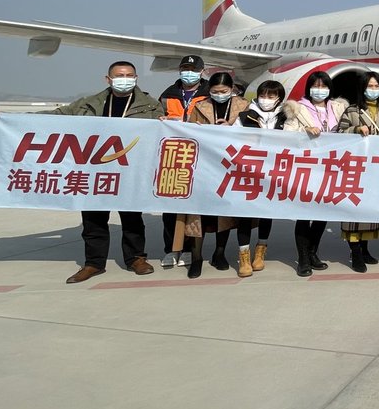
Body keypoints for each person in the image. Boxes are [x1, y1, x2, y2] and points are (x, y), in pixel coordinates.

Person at [21, 61, 162, 283]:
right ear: (108, 79)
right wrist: (14, 118)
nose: (124, 79)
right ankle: (94, 263)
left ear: (136, 78)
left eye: (129, 75)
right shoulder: (89, 104)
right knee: (93, 219)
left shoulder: (151, 107)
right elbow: (55, 117)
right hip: (95, 170)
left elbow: (163, 134)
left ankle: (136, 258)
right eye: (119, 75)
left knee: (132, 218)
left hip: (130, 172)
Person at [284, 71, 348, 277]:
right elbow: (286, 135)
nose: (319, 90)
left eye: (323, 86)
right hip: (307, 167)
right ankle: (303, 258)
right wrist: (304, 133)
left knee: (322, 213)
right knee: (304, 214)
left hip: (330, 167)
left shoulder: (338, 108)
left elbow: (347, 131)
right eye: (315, 86)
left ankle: (313, 252)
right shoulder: (298, 108)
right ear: (309, 88)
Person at [181, 72, 246, 278]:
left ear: (232, 89)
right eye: (215, 91)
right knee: (198, 213)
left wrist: (233, 129)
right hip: (203, 165)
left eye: (223, 91)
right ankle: (196, 257)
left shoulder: (243, 106)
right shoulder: (200, 106)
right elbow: (187, 132)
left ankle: (220, 253)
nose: (219, 94)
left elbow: (254, 134)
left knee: (223, 212)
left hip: (229, 165)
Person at [336, 71, 379, 273]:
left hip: (377, 168)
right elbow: (338, 134)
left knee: (369, 211)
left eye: (377, 86)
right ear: (362, 89)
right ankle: (355, 252)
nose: (374, 90)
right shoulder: (352, 110)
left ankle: (364, 248)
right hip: (356, 168)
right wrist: (355, 130)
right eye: (370, 86)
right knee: (354, 212)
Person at [157, 54, 208, 268]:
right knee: (170, 206)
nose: (189, 73)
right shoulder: (168, 94)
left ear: (202, 71)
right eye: (185, 69)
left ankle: (189, 249)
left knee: (194, 208)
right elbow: (156, 116)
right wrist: (159, 121)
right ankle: (171, 249)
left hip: (202, 156)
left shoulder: (210, 93)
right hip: (174, 156)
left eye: (193, 69)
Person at [231, 79, 286, 277]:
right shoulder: (245, 116)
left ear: (279, 98)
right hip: (249, 171)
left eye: (271, 96)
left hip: (273, 172)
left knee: (266, 213)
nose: (266, 99)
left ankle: (260, 251)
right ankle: (244, 255)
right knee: (245, 214)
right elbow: (231, 139)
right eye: (263, 95)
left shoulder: (286, 118)